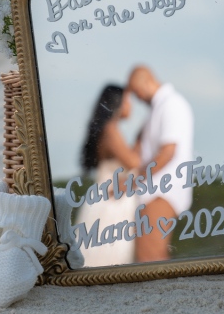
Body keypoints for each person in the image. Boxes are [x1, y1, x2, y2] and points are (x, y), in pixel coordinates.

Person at [127, 66, 194, 263]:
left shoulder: (172, 104)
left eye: (136, 91)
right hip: (153, 191)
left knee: (150, 258)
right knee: (152, 257)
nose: (137, 98)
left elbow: (168, 152)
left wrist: (134, 180)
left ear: (146, 81)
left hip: (162, 192)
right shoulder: (158, 109)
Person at [75, 84, 140, 267]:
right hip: (111, 202)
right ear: (117, 103)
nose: (131, 106)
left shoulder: (109, 129)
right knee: (109, 257)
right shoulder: (111, 130)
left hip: (108, 198)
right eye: (128, 101)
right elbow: (134, 162)